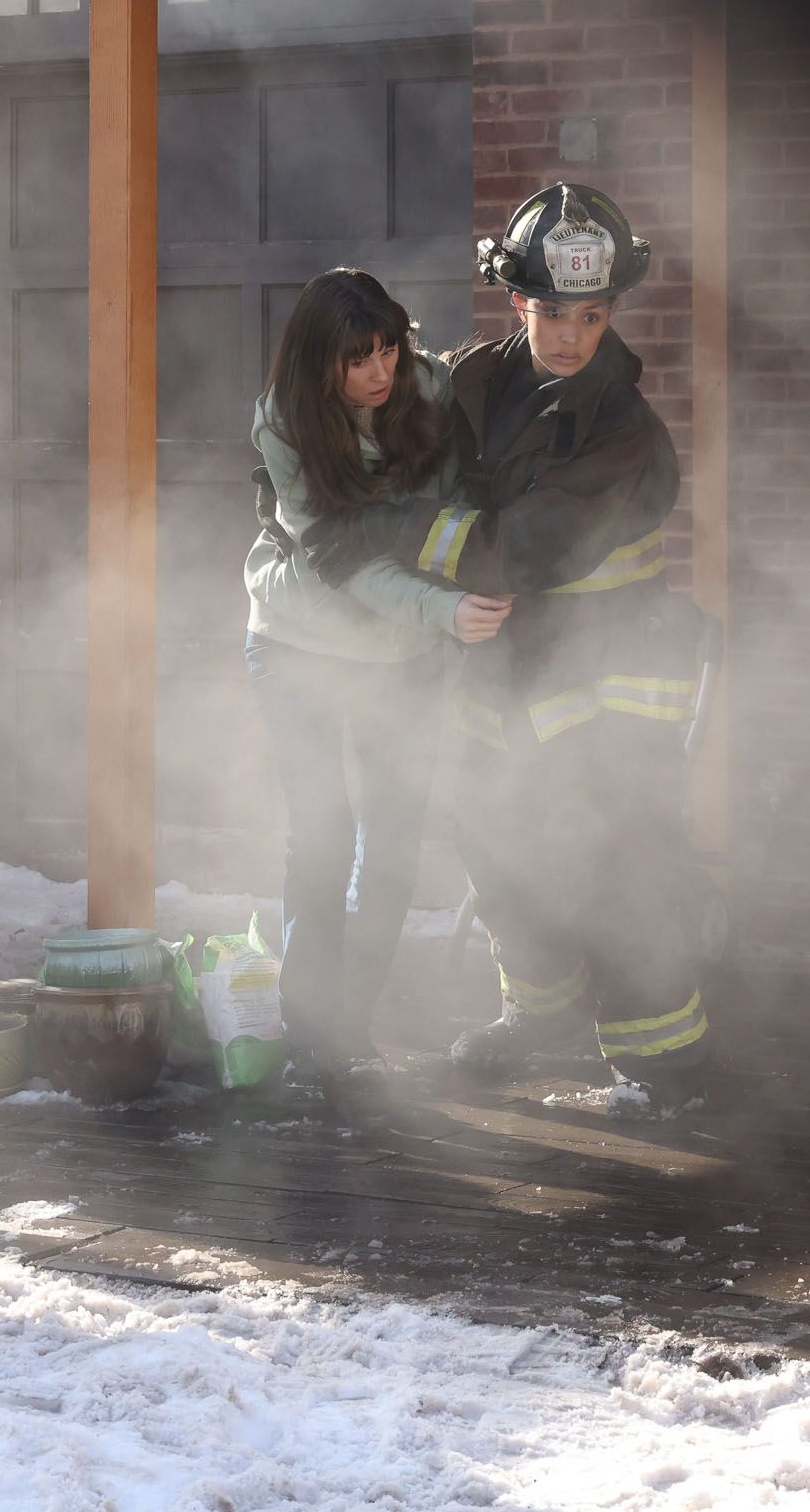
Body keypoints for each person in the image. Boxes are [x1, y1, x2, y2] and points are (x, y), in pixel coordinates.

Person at [306, 185, 714, 1119]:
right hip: (503, 671)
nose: (568, 334)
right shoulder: (476, 379)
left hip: (607, 682)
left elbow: (511, 553)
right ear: (516, 300)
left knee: (614, 862)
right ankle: (542, 1017)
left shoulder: (625, 434)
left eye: (590, 315)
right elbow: (377, 436)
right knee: (499, 845)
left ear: (610, 313)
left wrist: (383, 527)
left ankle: (671, 1058)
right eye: (550, 311)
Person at [247, 270, 510, 1079]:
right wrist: (443, 610)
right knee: (323, 837)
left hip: (405, 659)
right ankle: (308, 1028)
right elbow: (340, 561)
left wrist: (463, 590)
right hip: (302, 648)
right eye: (358, 359)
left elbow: (459, 506)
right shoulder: (285, 425)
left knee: (393, 845)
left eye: (388, 348)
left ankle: (350, 1027)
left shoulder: (427, 392)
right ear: (319, 363)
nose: (379, 372)